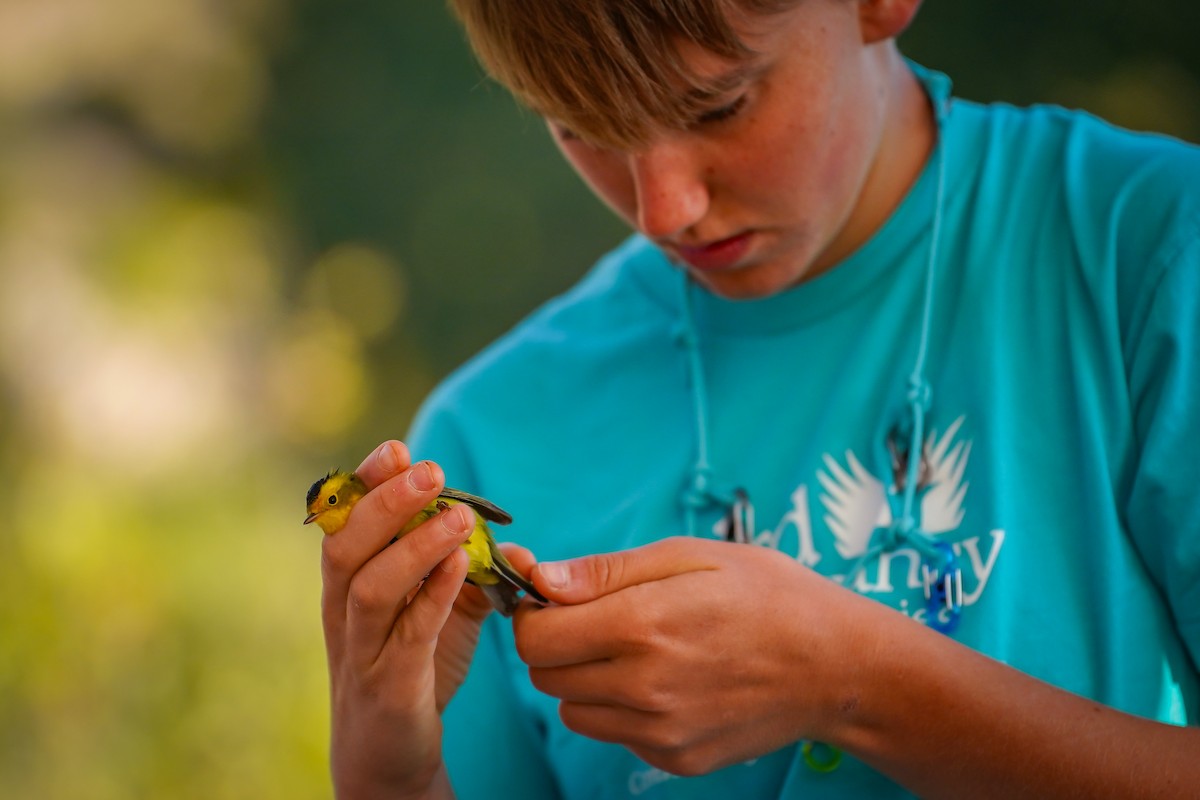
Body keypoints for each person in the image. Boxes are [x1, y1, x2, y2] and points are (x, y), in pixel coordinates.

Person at [316, 0, 1200, 797]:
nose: (664, 210)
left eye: (718, 106)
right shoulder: (486, 433)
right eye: (581, 127)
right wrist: (387, 772)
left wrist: (855, 681)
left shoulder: (1149, 252)